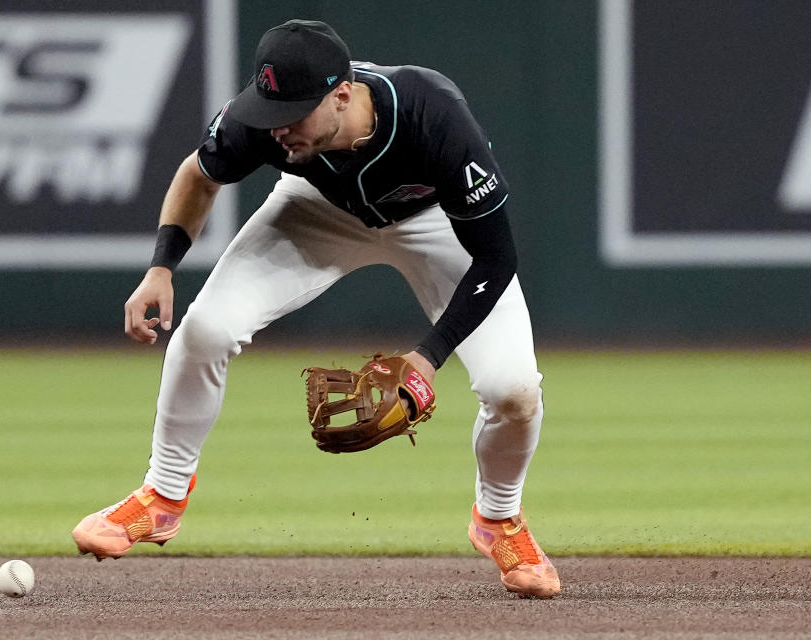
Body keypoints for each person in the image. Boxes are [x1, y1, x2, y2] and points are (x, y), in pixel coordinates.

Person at [72, 19, 560, 598]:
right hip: (317, 210)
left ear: (344, 95)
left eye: (295, 112)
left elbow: (497, 257)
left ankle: (499, 518)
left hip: (437, 226)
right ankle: (161, 496)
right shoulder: (261, 123)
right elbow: (197, 175)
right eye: (270, 109)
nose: (278, 128)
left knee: (513, 390)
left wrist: (428, 358)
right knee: (204, 328)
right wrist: (161, 267)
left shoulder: (434, 115)